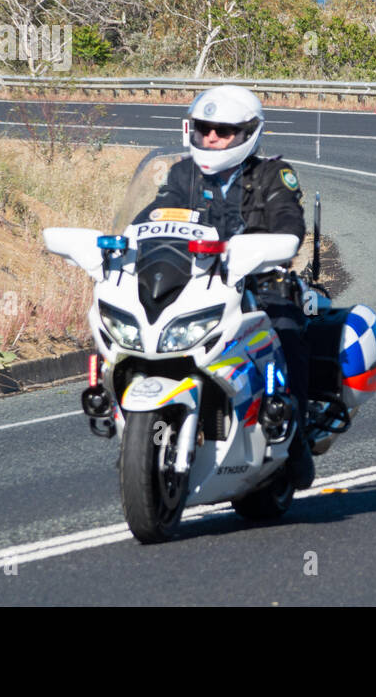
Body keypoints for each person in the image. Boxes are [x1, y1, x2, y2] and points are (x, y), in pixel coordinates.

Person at [135, 84, 315, 489]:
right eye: (204, 128)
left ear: (248, 133)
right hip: (196, 283)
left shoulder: (272, 175)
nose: (212, 137)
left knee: (286, 335)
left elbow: (290, 224)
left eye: (223, 131)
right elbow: (153, 216)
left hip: (261, 285)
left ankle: (295, 437)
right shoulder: (183, 174)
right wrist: (123, 242)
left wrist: (274, 245)